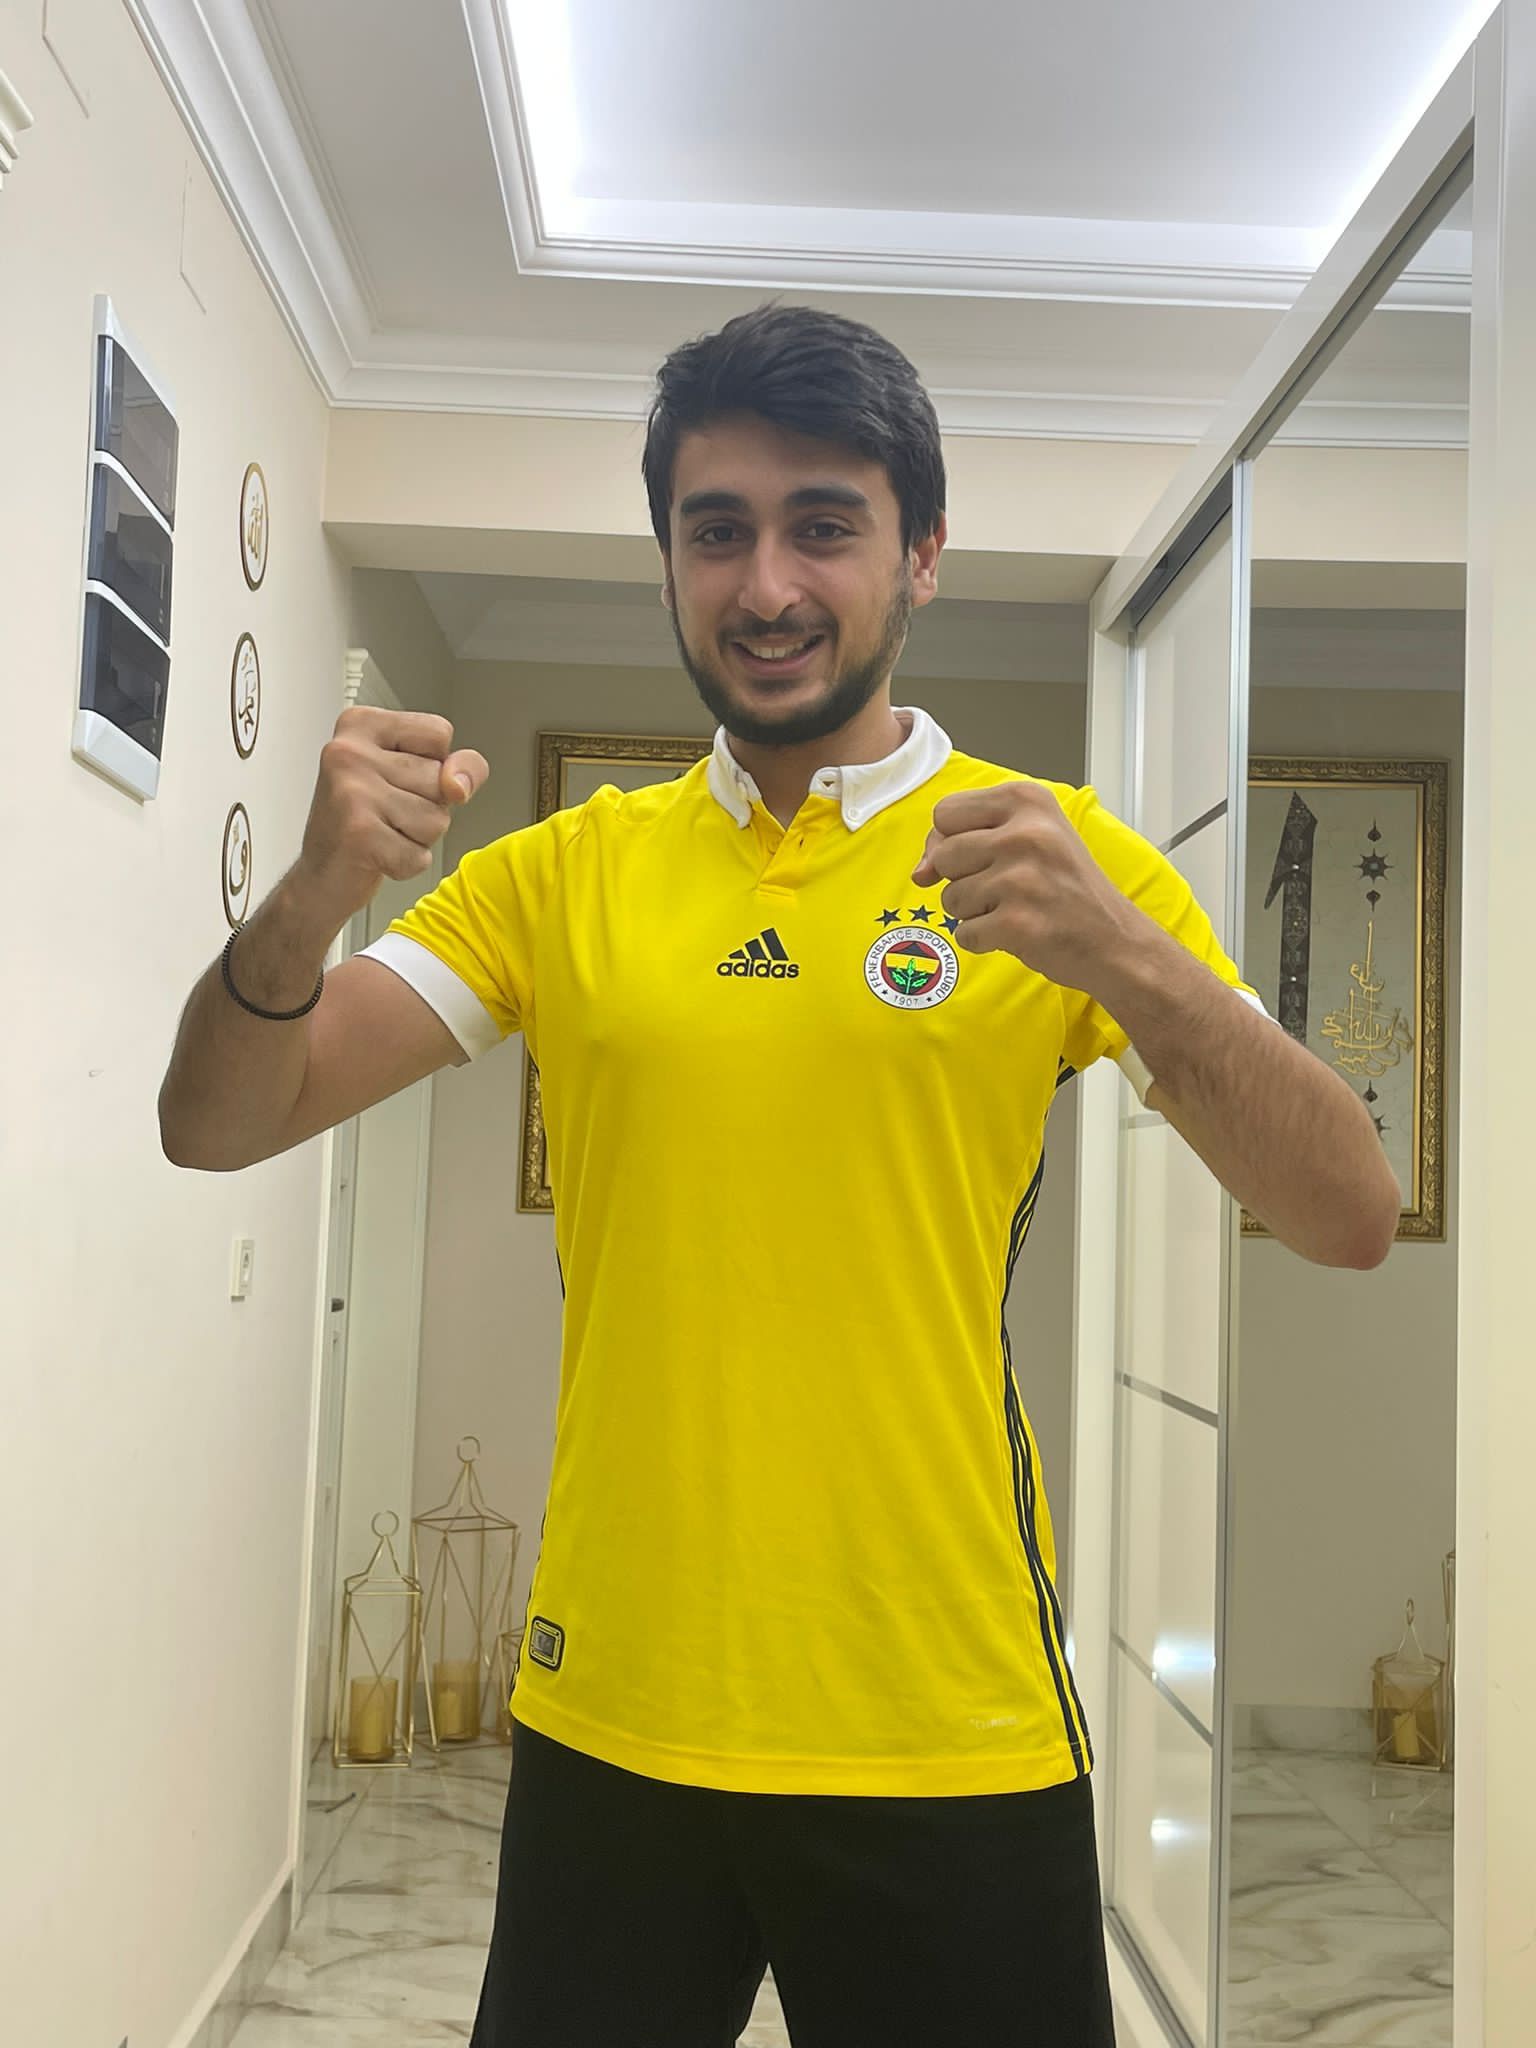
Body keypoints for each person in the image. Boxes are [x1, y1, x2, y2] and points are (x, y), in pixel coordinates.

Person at [159, 304, 1401, 2047]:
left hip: (950, 1725)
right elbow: (218, 1121)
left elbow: (1349, 1211)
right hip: (614, 1718)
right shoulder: (562, 875)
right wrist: (307, 900)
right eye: (716, 530)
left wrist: (1130, 957)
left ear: (923, 555)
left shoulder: (1059, 865)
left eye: (825, 525)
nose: (766, 584)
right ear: (668, 559)